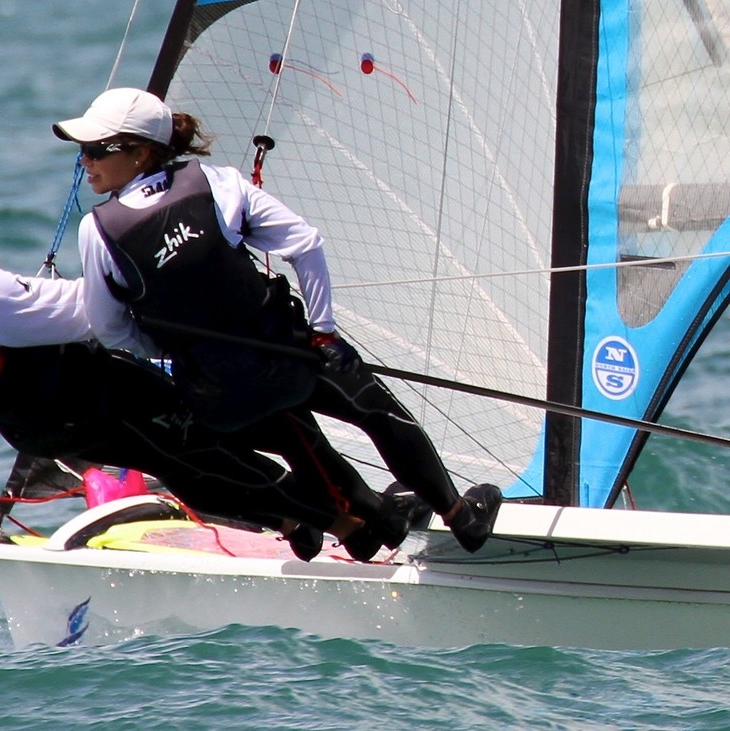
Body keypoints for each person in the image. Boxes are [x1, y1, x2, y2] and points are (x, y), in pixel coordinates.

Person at [53, 87, 503, 554]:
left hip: (219, 393)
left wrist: (172, 351)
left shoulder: (97, 230)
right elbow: (305, 244)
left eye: (94, 150)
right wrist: (324, 332)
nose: (84, 162)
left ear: (141, 152)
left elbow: (109, 328)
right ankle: (460, 517)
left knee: (302, 444)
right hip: (287, 355)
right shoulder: (217, 183)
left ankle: (367, 528)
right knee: (376, 414)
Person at [0, 178, 361, 557]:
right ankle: (347, 519)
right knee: (212, 441)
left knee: (179, 467)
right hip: (98, 391)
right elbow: (91, 314)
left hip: (41, 430)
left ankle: (295, 522)